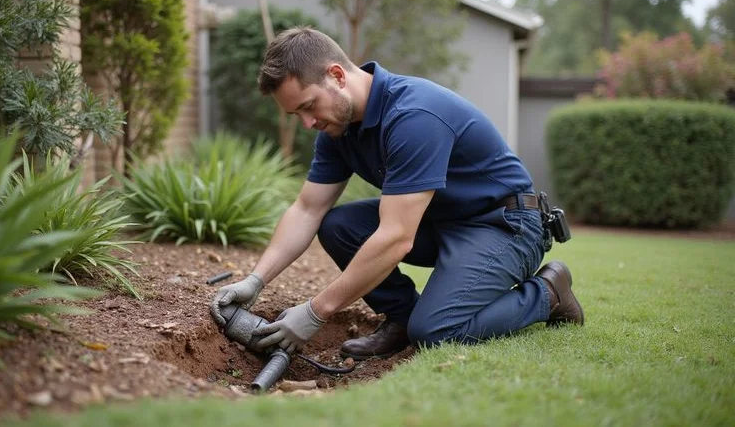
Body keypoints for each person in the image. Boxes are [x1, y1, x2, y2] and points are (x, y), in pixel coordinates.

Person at [210, 27, 584, 360]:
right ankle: (402, 319)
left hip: (504, 225)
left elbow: (396, 238)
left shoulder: (413, 115)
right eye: (297, 116)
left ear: (337, 75)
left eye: (308, 106)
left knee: (437, 331)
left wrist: (315, 312)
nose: (308, 123)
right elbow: (308, 209)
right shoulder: (337, 130)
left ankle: (549, 293)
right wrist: (255, 281)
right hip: (441, 221)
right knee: (338, 224)